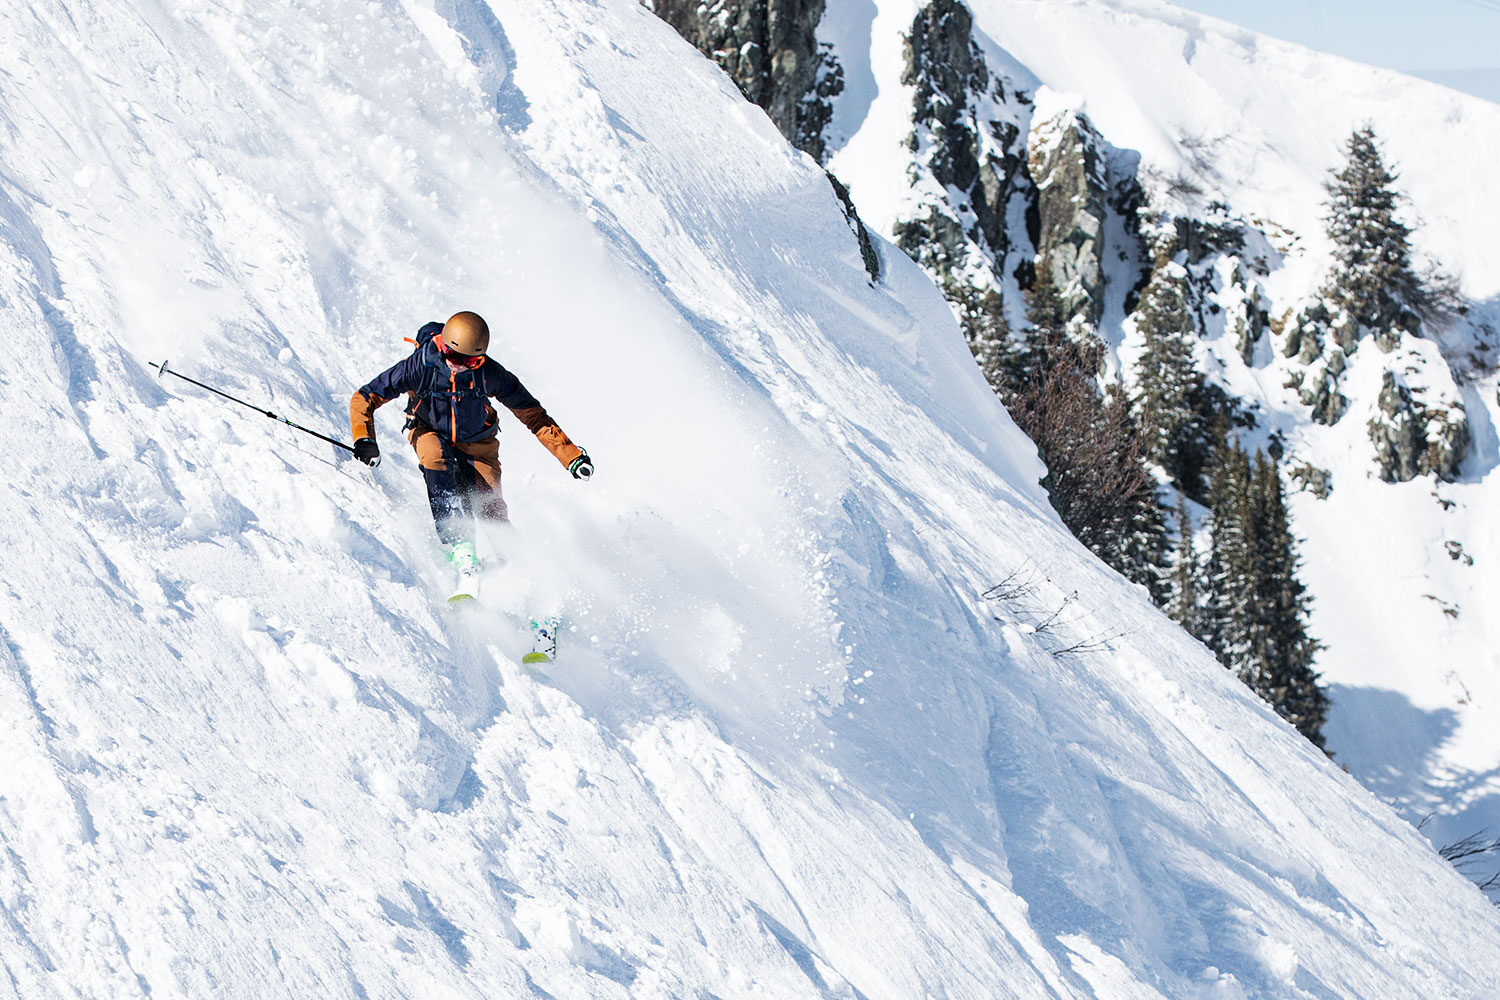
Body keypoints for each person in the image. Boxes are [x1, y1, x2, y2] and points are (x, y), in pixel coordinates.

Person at [349, 311, 591, 574]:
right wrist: (364, 438)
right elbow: (365, 397)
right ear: (443, 348)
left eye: (470, 360)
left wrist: (572, 456)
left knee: (489, 507)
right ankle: (460, 545)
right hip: (428, 429)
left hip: (478, 441)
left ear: (481, 357)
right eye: (453, 357)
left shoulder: (490, 374)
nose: (459, 365)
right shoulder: (420, 366)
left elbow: (533, 415)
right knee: (434, 457)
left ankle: (518, 567)